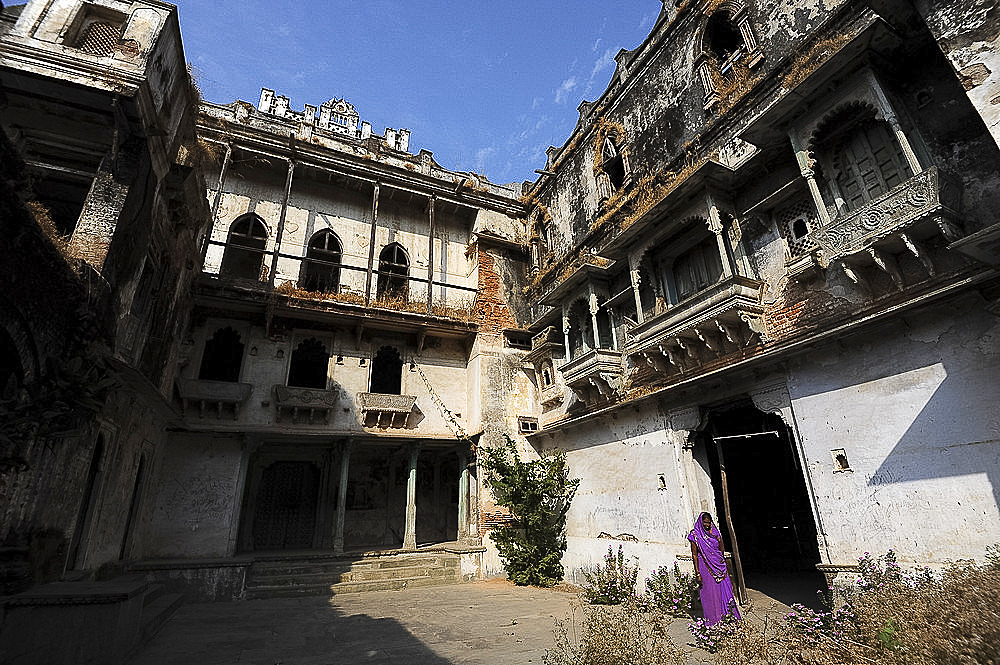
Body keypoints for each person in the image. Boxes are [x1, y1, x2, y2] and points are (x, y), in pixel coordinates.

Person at [688, 511, 741, 626]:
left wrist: (718, 562)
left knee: (724, 591)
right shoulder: (695, 535)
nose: (707, 525)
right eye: (705, 523)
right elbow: (695, 555)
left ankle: (728, 618)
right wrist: (697, 573)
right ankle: (713, 621)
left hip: (719, 567)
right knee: (710, 593)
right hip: (705, 567)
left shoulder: (715, 533)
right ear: (700, 522)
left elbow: (721, 549)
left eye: (709, 522)